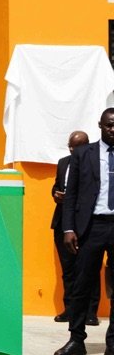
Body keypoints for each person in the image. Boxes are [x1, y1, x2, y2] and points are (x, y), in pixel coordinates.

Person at [54, 108, 114, 355]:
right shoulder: (82, 154)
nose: (113, 129)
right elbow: (72, 196)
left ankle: (112, 344)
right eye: (109, 125)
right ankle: (76, 339)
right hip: (90, 227)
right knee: (81, 284)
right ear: (100, 125)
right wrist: (69, 228)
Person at [52, 130, 101, 326]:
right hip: (63, 222)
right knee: (68, 270)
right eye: (71, 147)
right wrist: (56, 194)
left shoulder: (93, 162)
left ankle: (90, 312)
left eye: (78, 146)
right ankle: (70, 309)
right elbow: (56, 185)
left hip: (84, 223)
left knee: (90, 268)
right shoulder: (64, 162)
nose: (74, 150)